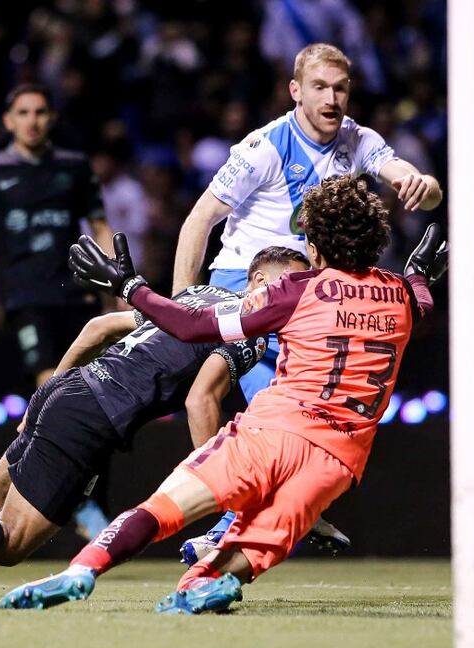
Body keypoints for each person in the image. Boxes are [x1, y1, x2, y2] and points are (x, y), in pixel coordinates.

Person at [0, 175, 446, 613]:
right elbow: (421, 298)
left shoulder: (295, 290)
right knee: (242, 557)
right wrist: (419, 273)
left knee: (162, 511)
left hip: (269, 434)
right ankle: (212, 583)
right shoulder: (402, 296)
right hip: (336, 462)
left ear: (314, 246)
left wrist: (130, 287)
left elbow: (193, 326)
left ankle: (82, 571)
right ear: (376, 241)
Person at [0, 246, 309, 600]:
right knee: (10, 546)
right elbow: (200, 397)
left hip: (70, 390)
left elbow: (97, 329)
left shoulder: (195, 296)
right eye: (290, 283)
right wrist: (214, 475)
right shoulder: (251, 329)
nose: (297, 294)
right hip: (93, 417)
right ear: (256, 280)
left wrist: (44, 394)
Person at [172, 42, 443, 561]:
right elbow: (198, 221)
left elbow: (421, 187)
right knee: (242, 400)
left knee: (300, 412)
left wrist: (422, 184)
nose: (332, 97)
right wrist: (186, 300)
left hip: (307, 297)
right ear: (295, 90)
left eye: (341, 87)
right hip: (245, 287)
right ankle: (230, 518)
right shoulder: (264, 147)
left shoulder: (358, 141)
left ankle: (280, 508)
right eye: (320, 86)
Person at [0, 83, 116, 538]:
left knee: (94, 397)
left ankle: (84, 498)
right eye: (23, 112)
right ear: (8, 120)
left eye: (41, 112)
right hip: (25, 300)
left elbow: (100, 227)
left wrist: (119, 292)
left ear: (51, 118)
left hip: (77, 297)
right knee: (54, 387)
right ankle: (66, 501)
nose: (33, 120)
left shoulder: (75, 168)